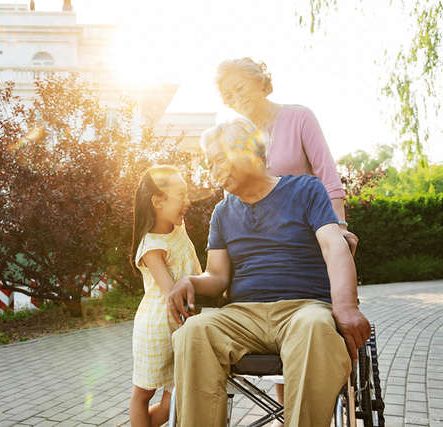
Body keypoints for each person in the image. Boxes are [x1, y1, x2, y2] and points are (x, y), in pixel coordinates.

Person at [167, 119, 370, 427]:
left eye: (218, 159)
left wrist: (346, 306)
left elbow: (334, 246)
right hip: (243, 315)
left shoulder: (305, 189)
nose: (213, 171)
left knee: (316, 327)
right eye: (209, 164)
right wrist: (190, 281)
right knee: (193, 333)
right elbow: (217, 276)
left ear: (246, 151)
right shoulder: (222, 213)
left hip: (303, 309)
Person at [214, 57, 359, 413]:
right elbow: (232, 198)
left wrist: (337, 232)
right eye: (228, 94)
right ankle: (284, 415)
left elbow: (327, 179)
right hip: (262, 250)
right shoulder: (236, 136)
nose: (236, 97)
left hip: (308, 236)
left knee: (306, 326)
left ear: (261, 82)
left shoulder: (298, 118)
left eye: (240, 87)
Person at [129, 165, 203, 427]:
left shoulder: (177, 228)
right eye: (181, 195)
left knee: (172, 404)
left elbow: (195, 270)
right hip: (157, 329)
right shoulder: (151, 246)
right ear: (158, 202)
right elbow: (172, 292)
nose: (187, 201)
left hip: (182, 325)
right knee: (143, 394)